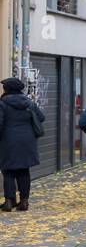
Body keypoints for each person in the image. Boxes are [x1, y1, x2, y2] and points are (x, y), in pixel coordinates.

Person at [0, 77, 44, 212]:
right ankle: (24, 201)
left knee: (8, 171)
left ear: (7, 89)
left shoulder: (2, 104)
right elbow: (41, 117)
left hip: (8, 140)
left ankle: (9, 201)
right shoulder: (28, 103)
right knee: (24, 171)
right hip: (27, 140)